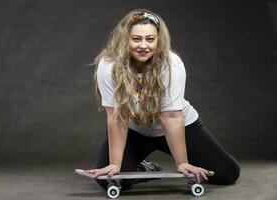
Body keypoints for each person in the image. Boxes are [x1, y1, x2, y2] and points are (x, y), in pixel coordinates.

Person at [86, 8, 241, 191]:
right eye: (136, 39)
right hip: (136, 131)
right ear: (124, 39)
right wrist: (114, 164)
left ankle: (218, 159)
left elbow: (171, 117)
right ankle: (143, 168)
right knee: (107, 179)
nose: (144, 45)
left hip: (178, 126)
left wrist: (182, 163)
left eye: (150, 39)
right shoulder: (109, 65)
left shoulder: (171, 63)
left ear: (159, 40)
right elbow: (116, 116)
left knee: (226, 174)